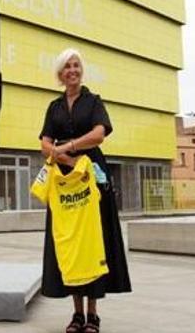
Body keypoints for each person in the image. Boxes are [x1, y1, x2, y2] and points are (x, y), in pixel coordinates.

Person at [39, 48, 131, 333]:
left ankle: (93, 314)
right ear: (60, 74)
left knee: (93, 242)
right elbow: (44, 141)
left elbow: (99, 134)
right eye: (67, 67)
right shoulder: (54, 106)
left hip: (92, 177)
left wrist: (68, 148)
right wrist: (62, 157)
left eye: (76, 66)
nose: (73, 71)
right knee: (70, 243)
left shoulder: (93, 101)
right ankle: (76, 313)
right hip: (64, 179)